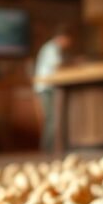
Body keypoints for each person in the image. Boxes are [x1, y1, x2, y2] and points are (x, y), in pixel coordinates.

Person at [34, 24, 73, 152]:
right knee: (52, 118)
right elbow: (57, 65)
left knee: (53, 118)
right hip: (46, 88)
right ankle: (48, 150)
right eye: (68, 40)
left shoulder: (53, 48)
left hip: (48, 88)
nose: (69, 44)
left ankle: (52, 149)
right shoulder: (51, 48)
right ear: (62, 38)